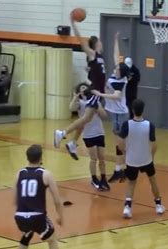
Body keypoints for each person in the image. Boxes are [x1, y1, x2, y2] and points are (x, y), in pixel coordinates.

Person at [57, 15, 107, 160]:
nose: (102, 43)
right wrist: (73, 24)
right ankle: (62, 133)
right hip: (95, 91)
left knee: (86, 119)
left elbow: (96, 73)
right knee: (85, 118)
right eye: (100, 42)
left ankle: (72, 142)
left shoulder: (98, 58)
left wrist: (89, 70)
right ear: (96, 44)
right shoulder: (92, 54)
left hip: (98, 91)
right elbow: (81, 40)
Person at [13, 144, 63, 249]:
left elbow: (15, 199)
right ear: (41, 158)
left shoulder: (19, 173)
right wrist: (60, 216)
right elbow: (57, 200)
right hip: (37, 216)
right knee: (52, 240)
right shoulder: (45, 174)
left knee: (27, 233)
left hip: (19, 216)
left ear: (27, 158)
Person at [92, 32, 130, 183]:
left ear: (121, 74)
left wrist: (101, 94)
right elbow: (117, 56)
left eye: (118, 70)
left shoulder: (121, 81)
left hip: (120, 113)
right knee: (118, 143)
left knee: (120, 143)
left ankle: (120, 170)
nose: (115, 70)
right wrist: (115, 40)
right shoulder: (117, 74)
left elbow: (116, 96)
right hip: (114, 112)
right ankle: (122, 169)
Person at [117, 99, 164, 218]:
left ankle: (127, 208)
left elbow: (120, 144)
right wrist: (151, 157)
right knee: (152, 180)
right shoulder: (149, 125)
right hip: (146, 159)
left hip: (131, 160)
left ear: (132, 110)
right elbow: (154, 144)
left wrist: (125, 154)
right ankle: (158, 206)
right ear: (143, 110)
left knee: (131, 183)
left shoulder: (126, 125)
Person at [69, 83, 109, 191]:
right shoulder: (80, 103)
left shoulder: (95, 102)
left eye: (85, 87)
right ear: (79, 91)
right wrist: (74, 97)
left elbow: (104, 116)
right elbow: (71, 108)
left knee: (102, 158)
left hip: (100, 132)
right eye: (81, 88)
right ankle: (94, 178)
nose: (84, 89)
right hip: (88, 134)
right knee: (93, 158)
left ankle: (104, 178)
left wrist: (97, 108)